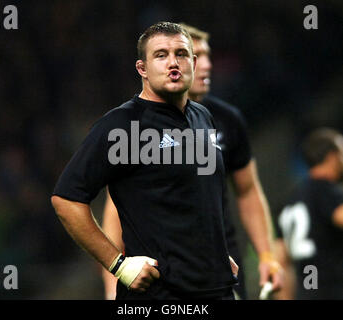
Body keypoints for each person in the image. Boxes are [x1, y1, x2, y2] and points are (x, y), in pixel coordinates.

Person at [51, 21, 280, 300]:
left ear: (193, 63)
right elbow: (66, 200)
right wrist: (116, 265)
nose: (173, 62)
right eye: (161, 55)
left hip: (216, 288)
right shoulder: (121, 125)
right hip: (159, 295)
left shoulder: (203, 118)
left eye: (181, 54)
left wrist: (215, 255)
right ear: (142, 69)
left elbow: (200, 199)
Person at [274, 127, 343, 299]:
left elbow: (280, 261)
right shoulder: (326, 190)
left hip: (307, 288)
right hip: (332, 286)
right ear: (332, 157)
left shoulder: (290, 202)